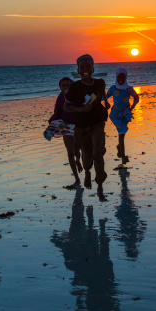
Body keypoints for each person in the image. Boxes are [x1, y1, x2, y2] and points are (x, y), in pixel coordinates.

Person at [64, 54, 110, 201]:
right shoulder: (75, 87)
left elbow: (100, 97)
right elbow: (67, 106)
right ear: (78, 70)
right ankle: (88, 172)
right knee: (87, 159)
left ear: (93, 68)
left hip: (97, 123)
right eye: (82, 67)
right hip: (81, 126)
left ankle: (100, 188)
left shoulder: (99, 83)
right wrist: (80, 110)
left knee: (97, 153)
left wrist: (104, 103)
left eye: (88, 66)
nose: (85, 70)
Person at [48, 77, 84, 189]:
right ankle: (77, 179)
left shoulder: (76, 95)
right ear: (60, 87)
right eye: (63, 85)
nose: (65, 87)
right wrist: (52, 124)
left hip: (77, 125)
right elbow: (57, 112)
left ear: (72, 85)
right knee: (69, 151)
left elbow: (82, 107)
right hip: (66, 125)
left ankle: (78, 160)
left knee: (77, 148)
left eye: (68, 85)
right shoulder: (60, 98)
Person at [106, 68, 140, 167]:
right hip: (116, 115)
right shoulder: (113, 88)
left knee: (123, 133)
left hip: (125, 114)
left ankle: (119, 147)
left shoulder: (129, 89)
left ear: (125, 77)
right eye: (119, 76)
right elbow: (105, 96)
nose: (121, 78)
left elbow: (136, 97)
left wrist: (132, 108)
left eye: (123, 76)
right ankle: (123, 157)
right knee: (121, 133)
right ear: (116, 77)